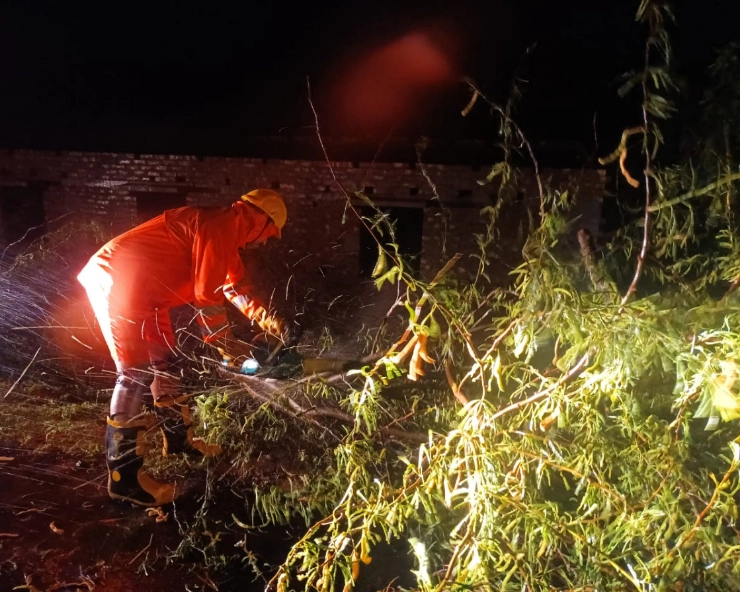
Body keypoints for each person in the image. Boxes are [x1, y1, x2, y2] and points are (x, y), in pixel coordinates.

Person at [78, 189, 289, 507]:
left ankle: (178, 442)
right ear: (260, 218)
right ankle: (124, 479)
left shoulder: (224, 234)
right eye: (269, 234)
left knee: (168, 364)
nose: (263, 242)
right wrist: (225, 346)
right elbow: (207, 297)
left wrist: (270, 321)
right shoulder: (219, 225)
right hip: (118, 282)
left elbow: (234, 288)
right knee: (133, 375)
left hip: (147, 297)